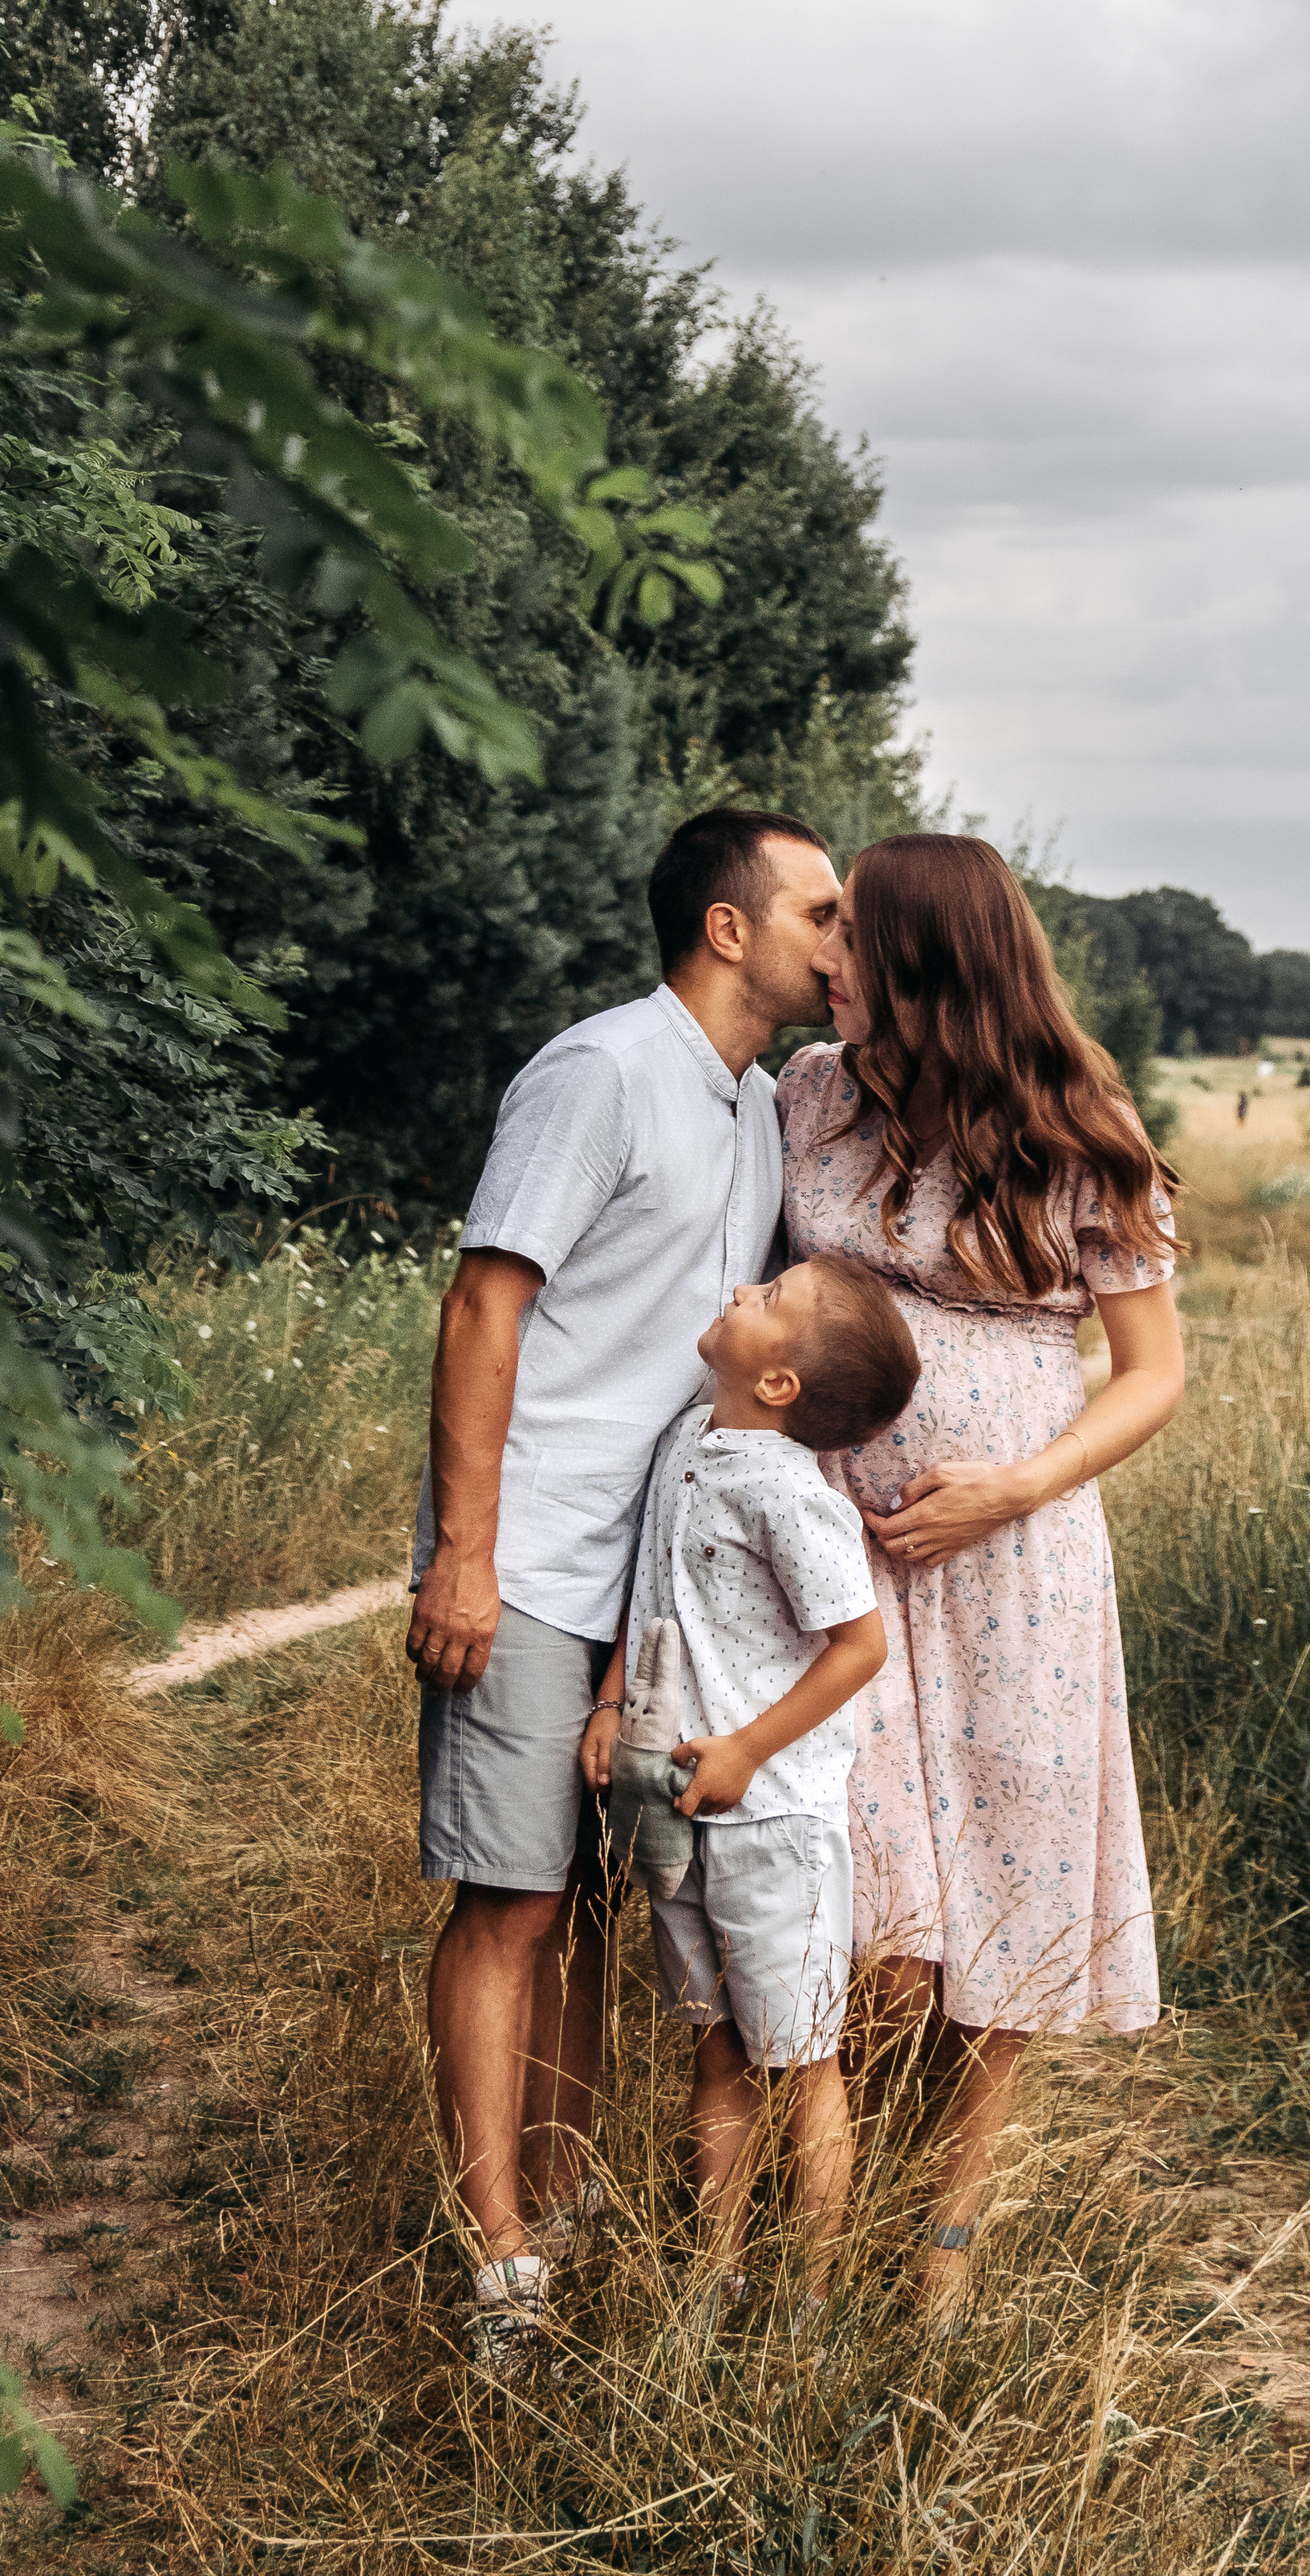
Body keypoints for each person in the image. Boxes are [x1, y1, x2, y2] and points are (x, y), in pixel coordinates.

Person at [408, 806, 843, 2377]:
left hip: (659, 1589)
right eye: (819, 911)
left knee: (596, 1903)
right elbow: (483, 1300)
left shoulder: (750, 1109)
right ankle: (498, 2261)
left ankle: (570, 2204)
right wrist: (464, 1549)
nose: (837, 939)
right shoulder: (598, 1070)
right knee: (510, 1898)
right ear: (728, 929)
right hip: (526, 1555)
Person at [777, 834, 1183, 2325]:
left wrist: (1014, 1486)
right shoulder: (814, 1097)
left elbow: (1151, 1379)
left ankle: (943, 2242)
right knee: (872, 1910)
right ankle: (838, 2194)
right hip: (836, 1550)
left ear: (924, 962)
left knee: (1007, 1886)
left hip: (1019, 1568)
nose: (827, 961)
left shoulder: (1078, 1126)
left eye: (851, 937)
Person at [582, 1255, 917, 2326]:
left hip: (771, 1820)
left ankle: (809, 2302)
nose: (743, 1290)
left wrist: (746, 1748)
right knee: (715, 2046)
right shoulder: (687, 1441)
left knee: (803, 2061)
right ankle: (710, 2280)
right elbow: (651, 1596)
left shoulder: (788, 1494)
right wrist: (609, 1704)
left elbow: (858, 1647)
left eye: (771, 1299)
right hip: (671, 1804)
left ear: (780, 1386)